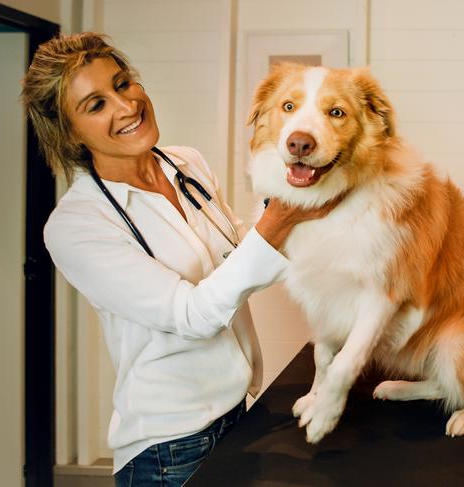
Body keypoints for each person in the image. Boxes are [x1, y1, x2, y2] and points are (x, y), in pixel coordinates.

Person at [21, 32, 341, 486]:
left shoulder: (185, 164)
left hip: (237, 412)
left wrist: (329, 218)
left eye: (123, 83)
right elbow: (192, 315)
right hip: (168, 448)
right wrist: (280, 219)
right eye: (95, 105)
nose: (127, 106)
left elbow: (237, 252)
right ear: (68, 131)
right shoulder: (76, 226)